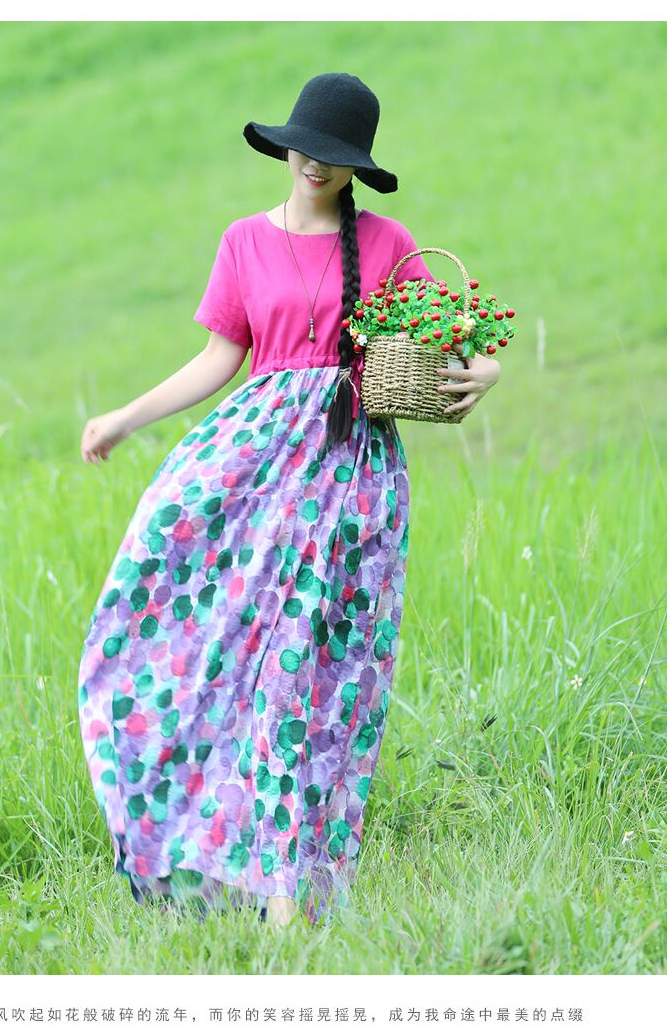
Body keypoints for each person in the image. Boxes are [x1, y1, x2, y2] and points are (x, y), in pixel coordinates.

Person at [78, 71, 500, 929]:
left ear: (358, 166)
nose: (316, 165)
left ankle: (289, 890)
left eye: (335, 156)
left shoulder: (385, 242)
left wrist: (483, 368)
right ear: (286, 145)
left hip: (351, 482)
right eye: (307, 148)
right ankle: (222, 855)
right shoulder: (243, 240)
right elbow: (217, 359)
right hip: (255, 474)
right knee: (215, 647)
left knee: (316, 675)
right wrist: (124, 417)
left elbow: (447, 343)